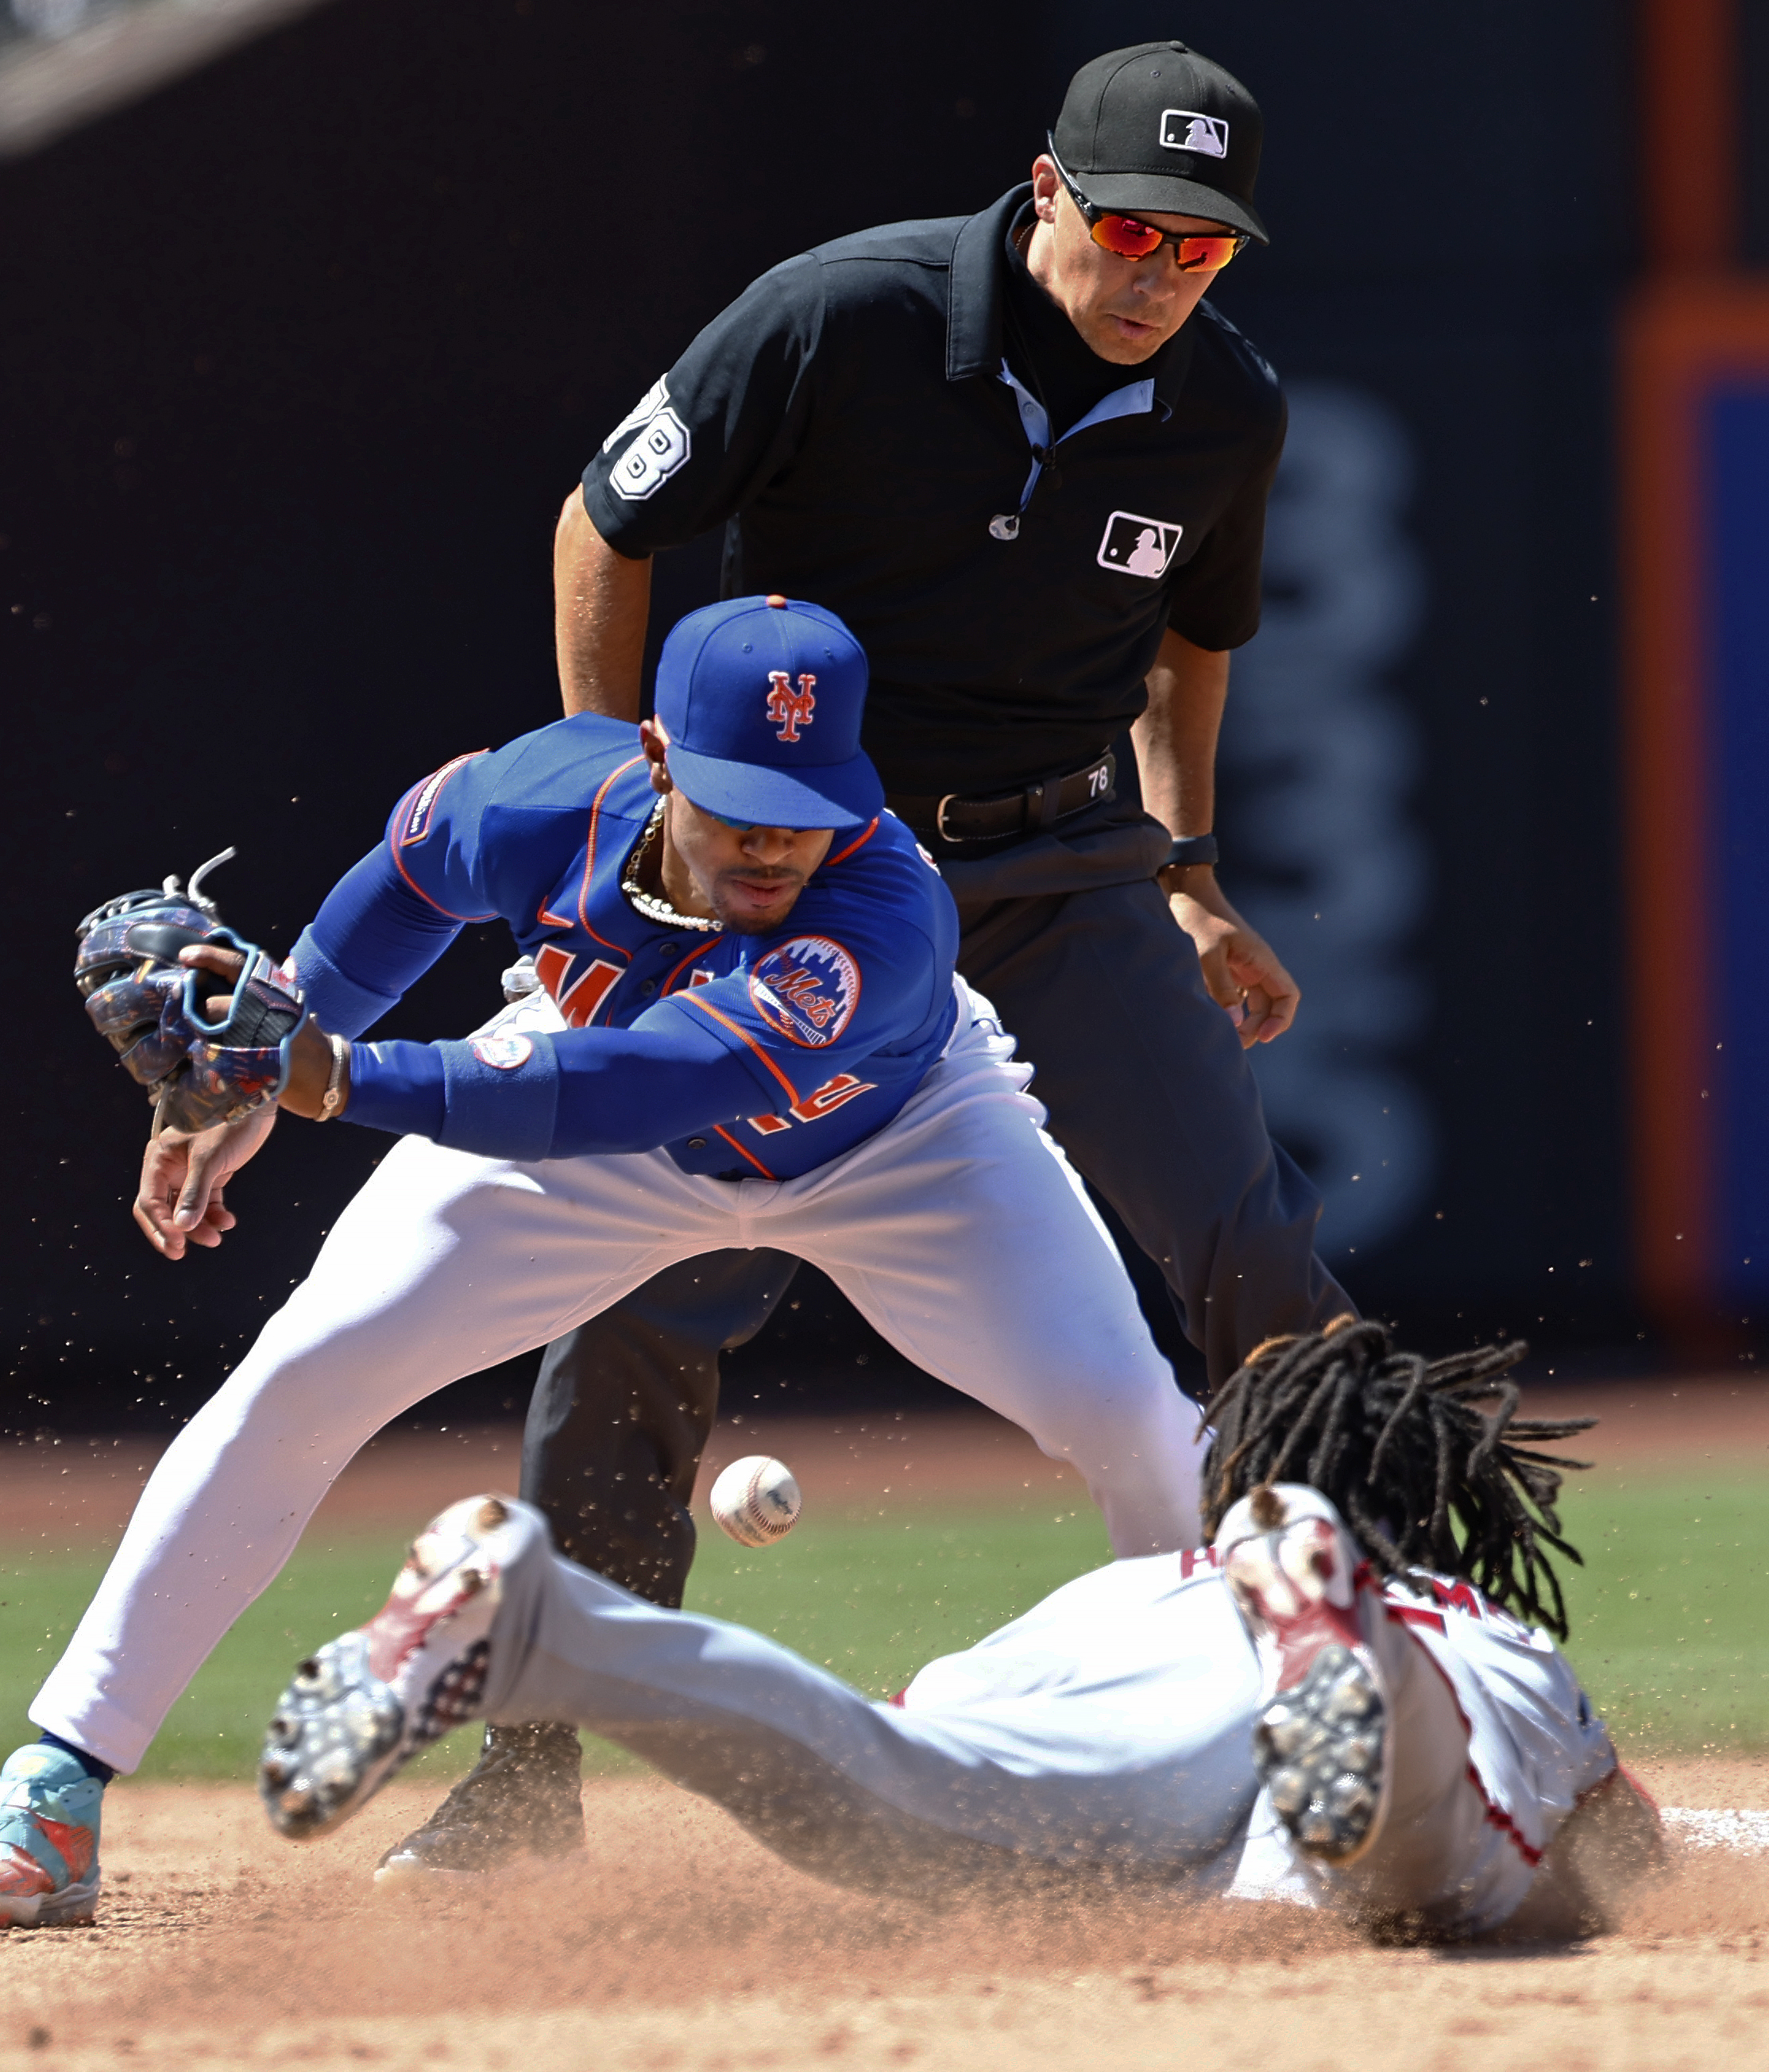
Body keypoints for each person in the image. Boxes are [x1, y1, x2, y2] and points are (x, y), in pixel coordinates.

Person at [398, 35, 1358, 1880]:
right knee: (641, 1292)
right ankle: (530, 1779)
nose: (1164, 273)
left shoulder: (1223, 407)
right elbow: (605, 526)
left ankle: (1379, 1686)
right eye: (1138, 228)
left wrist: (1190, 867)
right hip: (809, 882)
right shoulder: (838, 317)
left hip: (1052, 865)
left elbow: (1189, 644)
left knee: (1252, 1242)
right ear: (1049, 193)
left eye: (1206, 247)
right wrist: (627, 815)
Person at [0, 593, 1207, 1931]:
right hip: (592, 1144)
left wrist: (333, 1074)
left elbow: (642, 1082)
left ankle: (1211, 1782)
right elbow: (399, 891)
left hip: (905, 1144)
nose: (772, 836)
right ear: (654, 757)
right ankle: (52, 1787)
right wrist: (257, 1058)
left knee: (1131, 1418)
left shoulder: (880, 915)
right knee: (304, 1371)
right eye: (736, 797)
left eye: (806, 802)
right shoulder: (532, 799)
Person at [258, 1324, 1674, 1943]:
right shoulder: (1485, 1623)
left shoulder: (1128, 1588)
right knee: (1432, 1875)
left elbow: (931, 1701)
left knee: (883, 1776)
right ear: (1435, 1511)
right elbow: (1625, 1851)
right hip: (1385, 1670)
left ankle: (539, 1622)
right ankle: (1346, 1641)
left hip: (1133, 1691)